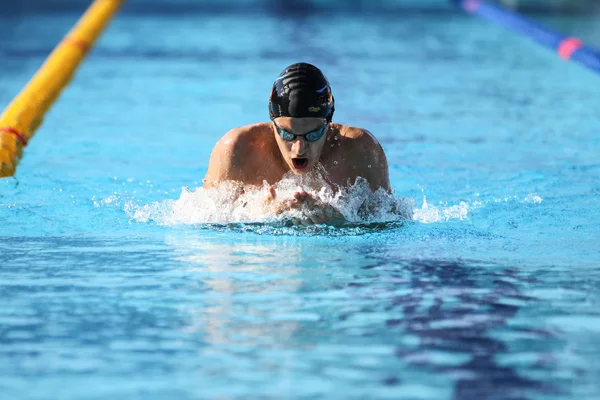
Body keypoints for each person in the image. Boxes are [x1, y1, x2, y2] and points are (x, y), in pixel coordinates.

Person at [203, 62, 392, 225]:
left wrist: (340, 222)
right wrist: (260, 215)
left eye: (313, 134)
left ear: (328, 123)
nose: (299, 148)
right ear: (273, 123)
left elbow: (392, 224)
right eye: (287, 134)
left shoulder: (361, 151)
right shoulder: (236, 149)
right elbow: (205, 224)